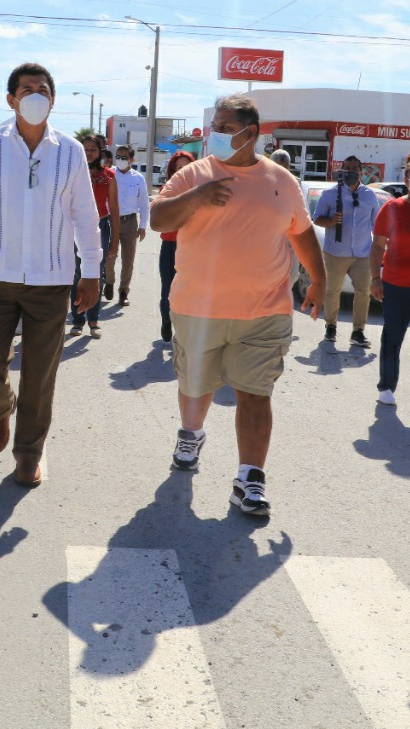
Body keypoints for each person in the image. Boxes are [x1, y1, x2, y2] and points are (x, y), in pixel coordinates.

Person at [150, 94, 325, 516]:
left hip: (265, 312)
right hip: (197, 310)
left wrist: (319, 280)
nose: (216, 135)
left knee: (255, 394)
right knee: (196, 386)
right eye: (215, 127)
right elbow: (158, 219)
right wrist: (198, 197)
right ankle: (191, 433)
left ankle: (249, 479)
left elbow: (301, 232)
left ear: (251, 133)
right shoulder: (193, 175)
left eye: (226, 129)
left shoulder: (282, 181)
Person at [0, 62, 101, 488]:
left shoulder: (69, 150)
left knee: (41, 372)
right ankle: (0, 408)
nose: (35, 96)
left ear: (53, 99)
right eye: (27, 90)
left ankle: (29, 452)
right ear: (11, 99)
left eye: (42, 89)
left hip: (51, 279)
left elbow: (85, 215)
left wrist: (91, 271)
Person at [370, 148, 410, 411]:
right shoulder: (392, 208)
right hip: (397, 285)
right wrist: (375, 278)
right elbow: (377, 246)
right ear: (406, 181)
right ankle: (386, 387)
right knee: (392, 337)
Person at [313, 155, 380, 346]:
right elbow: (317, 219)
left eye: (354, 168)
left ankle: (358, 331)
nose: (351, 171)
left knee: (363, 292)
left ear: (360, 171)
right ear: (342, 170)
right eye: (347, 168)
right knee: (333, 291)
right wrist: (331, 221)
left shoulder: (369, 195)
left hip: (362, 254)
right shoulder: (330, 194)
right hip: (336, 252)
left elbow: (376, 224)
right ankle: (330, 326)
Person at [70, 135, 118, 339]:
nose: (89, 153)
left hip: (101, 226)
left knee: (96, 273)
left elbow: (114, 210)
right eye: (85, 149)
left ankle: (93, 320)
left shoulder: (109, 176)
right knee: (76, 274)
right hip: (75, 228)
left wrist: (114, 241)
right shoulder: (72, 173)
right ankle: (77, 320)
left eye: (93, 149)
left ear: (100, 153)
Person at [157, 150, 195, 342]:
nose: (183, 170)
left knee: (190, 291)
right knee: (168, 289)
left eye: (187, 166)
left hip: (193, 248)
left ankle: (184, 330)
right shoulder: (167, 190)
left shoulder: (201, 191)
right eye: (179, 167)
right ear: (172, 170)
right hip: (170, 246)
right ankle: (166, 320)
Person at [108, 144, 149, 305]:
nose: (120, 160)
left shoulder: (138, 178)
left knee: (128, 260)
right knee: (109, 257)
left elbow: (144, 203)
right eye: (117, 157)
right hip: (111, 221)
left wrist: (143, 226)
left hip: (130, 222)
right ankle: (109, 281)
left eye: (124, 157)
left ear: (132, 159)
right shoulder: (109, 174)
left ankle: (123, 291)